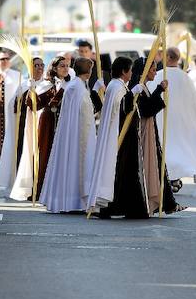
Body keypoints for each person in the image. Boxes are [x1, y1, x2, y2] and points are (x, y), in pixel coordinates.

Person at [102, 57, 180, 217]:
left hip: (143, 132)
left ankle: (165, 203)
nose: (154, 72)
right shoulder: (131, 88)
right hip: (136, 135)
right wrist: (159, 90)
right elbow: (143, 110)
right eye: (151, 69)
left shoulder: (139, 87)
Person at [39, 57, 100, 213]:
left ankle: (77, 202)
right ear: (88, 71)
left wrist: (94, 93)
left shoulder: (78, 86)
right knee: (74, 166)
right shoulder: (75, 87)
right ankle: (71, 202)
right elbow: (82, 113)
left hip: (80, 133)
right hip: (76, 136)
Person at [151, 47, 196, 184]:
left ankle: (170, 177)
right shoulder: (185, 77)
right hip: (178, 120)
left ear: (168, 57)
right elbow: (194, 103)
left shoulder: (159, 76)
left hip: (165, 119)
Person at [86, 56, 134, 212]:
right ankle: (104, 203)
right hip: (114, 132)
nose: (132, 73)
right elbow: (121, 110)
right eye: (130, 70)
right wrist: (133, 93)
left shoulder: (116, 85)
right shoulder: (117, 87)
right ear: (123, 71)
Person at [7, 57, 51, 200]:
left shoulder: (47, 85)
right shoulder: (24, 85)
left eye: (41, 65)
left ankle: (39, 186)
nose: (39, 68)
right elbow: (14, 106)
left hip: (41, 125)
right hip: (25, 126)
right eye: (36, 65)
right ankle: (27, 186)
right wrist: (24, 94)